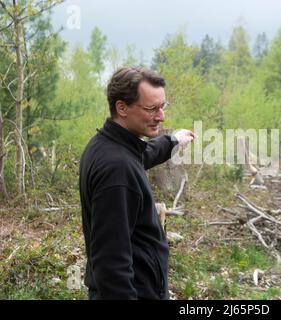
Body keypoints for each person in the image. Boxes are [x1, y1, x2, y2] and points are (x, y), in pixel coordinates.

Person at [79, 66, 196, 300]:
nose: (161, 116)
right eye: (152, 108)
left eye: (163, 106)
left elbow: (142, 155)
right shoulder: (117, 170)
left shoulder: (110, 145)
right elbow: (111, 263)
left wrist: (173, 141)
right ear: (122, 107)